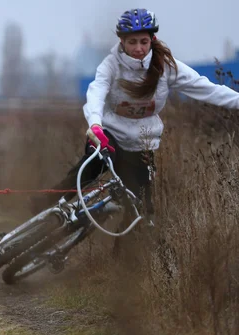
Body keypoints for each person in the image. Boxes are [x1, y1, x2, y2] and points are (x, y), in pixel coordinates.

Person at [30, 8, 239, 228]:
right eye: (132, 42)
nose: (138, 48)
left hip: (143, 143)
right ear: (121, 41)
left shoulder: (166, 67)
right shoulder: (110, 66)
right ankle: (45, 208)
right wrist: (95, 124)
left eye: (143, 41)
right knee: (90, 167)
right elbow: (96, 92)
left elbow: (208, 89)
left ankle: (123, 258)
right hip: (107, 134)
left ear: (152, 40)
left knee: (141, 213)